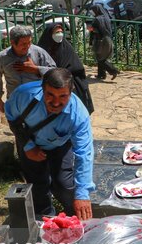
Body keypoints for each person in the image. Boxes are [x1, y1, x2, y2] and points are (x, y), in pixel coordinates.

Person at [5, 68, 94, 220]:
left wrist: (82, 195)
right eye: (50, 95)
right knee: (37, 187)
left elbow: (84, 154)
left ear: (71, 92)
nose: (56, 102)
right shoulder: (24, 95)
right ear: (42, 88)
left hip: (60, 146)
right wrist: (28, 146)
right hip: (30, 143)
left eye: (63, 96)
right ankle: (46, 222)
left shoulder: (78, 115)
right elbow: (11, 116)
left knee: (64, 185)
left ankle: (74, 219)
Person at [0, 26, 56, 114]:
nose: (27, 46)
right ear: (12, 42)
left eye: (29, 42)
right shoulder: (2, 58)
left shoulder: (38, 52)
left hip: (37, 101)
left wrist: (36, 69)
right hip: (15, 102)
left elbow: (55, 72)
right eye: (23, 44)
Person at [38, 22, 94, 114]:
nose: (59, 34)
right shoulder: (42, 50)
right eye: (56, 32)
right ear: (49, 34)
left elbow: (77, 67)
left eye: (61, 32)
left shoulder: (66, 48)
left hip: (67, 83)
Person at [88, 4, 119, 80]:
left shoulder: (97, 19)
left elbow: (94, 30)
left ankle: (113, 71)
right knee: (101, 57)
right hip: (108, 39)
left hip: (100, 41)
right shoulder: (106, 17)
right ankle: (101, 75)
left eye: (94, 10)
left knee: (100, 59)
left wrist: (90, 35)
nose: (93, 12)